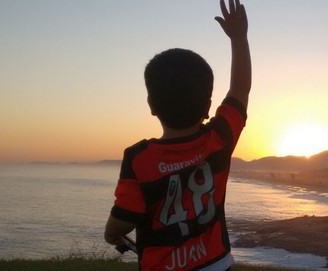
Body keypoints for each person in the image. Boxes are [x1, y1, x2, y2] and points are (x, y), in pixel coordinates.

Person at [104, 0, 250, 270]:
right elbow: (240, 89)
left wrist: (110, 235)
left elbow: (123, 219)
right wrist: (239, 38)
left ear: (151, 105)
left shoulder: (140, 160)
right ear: (208, 107)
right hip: (218, 263)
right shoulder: (220, 139)